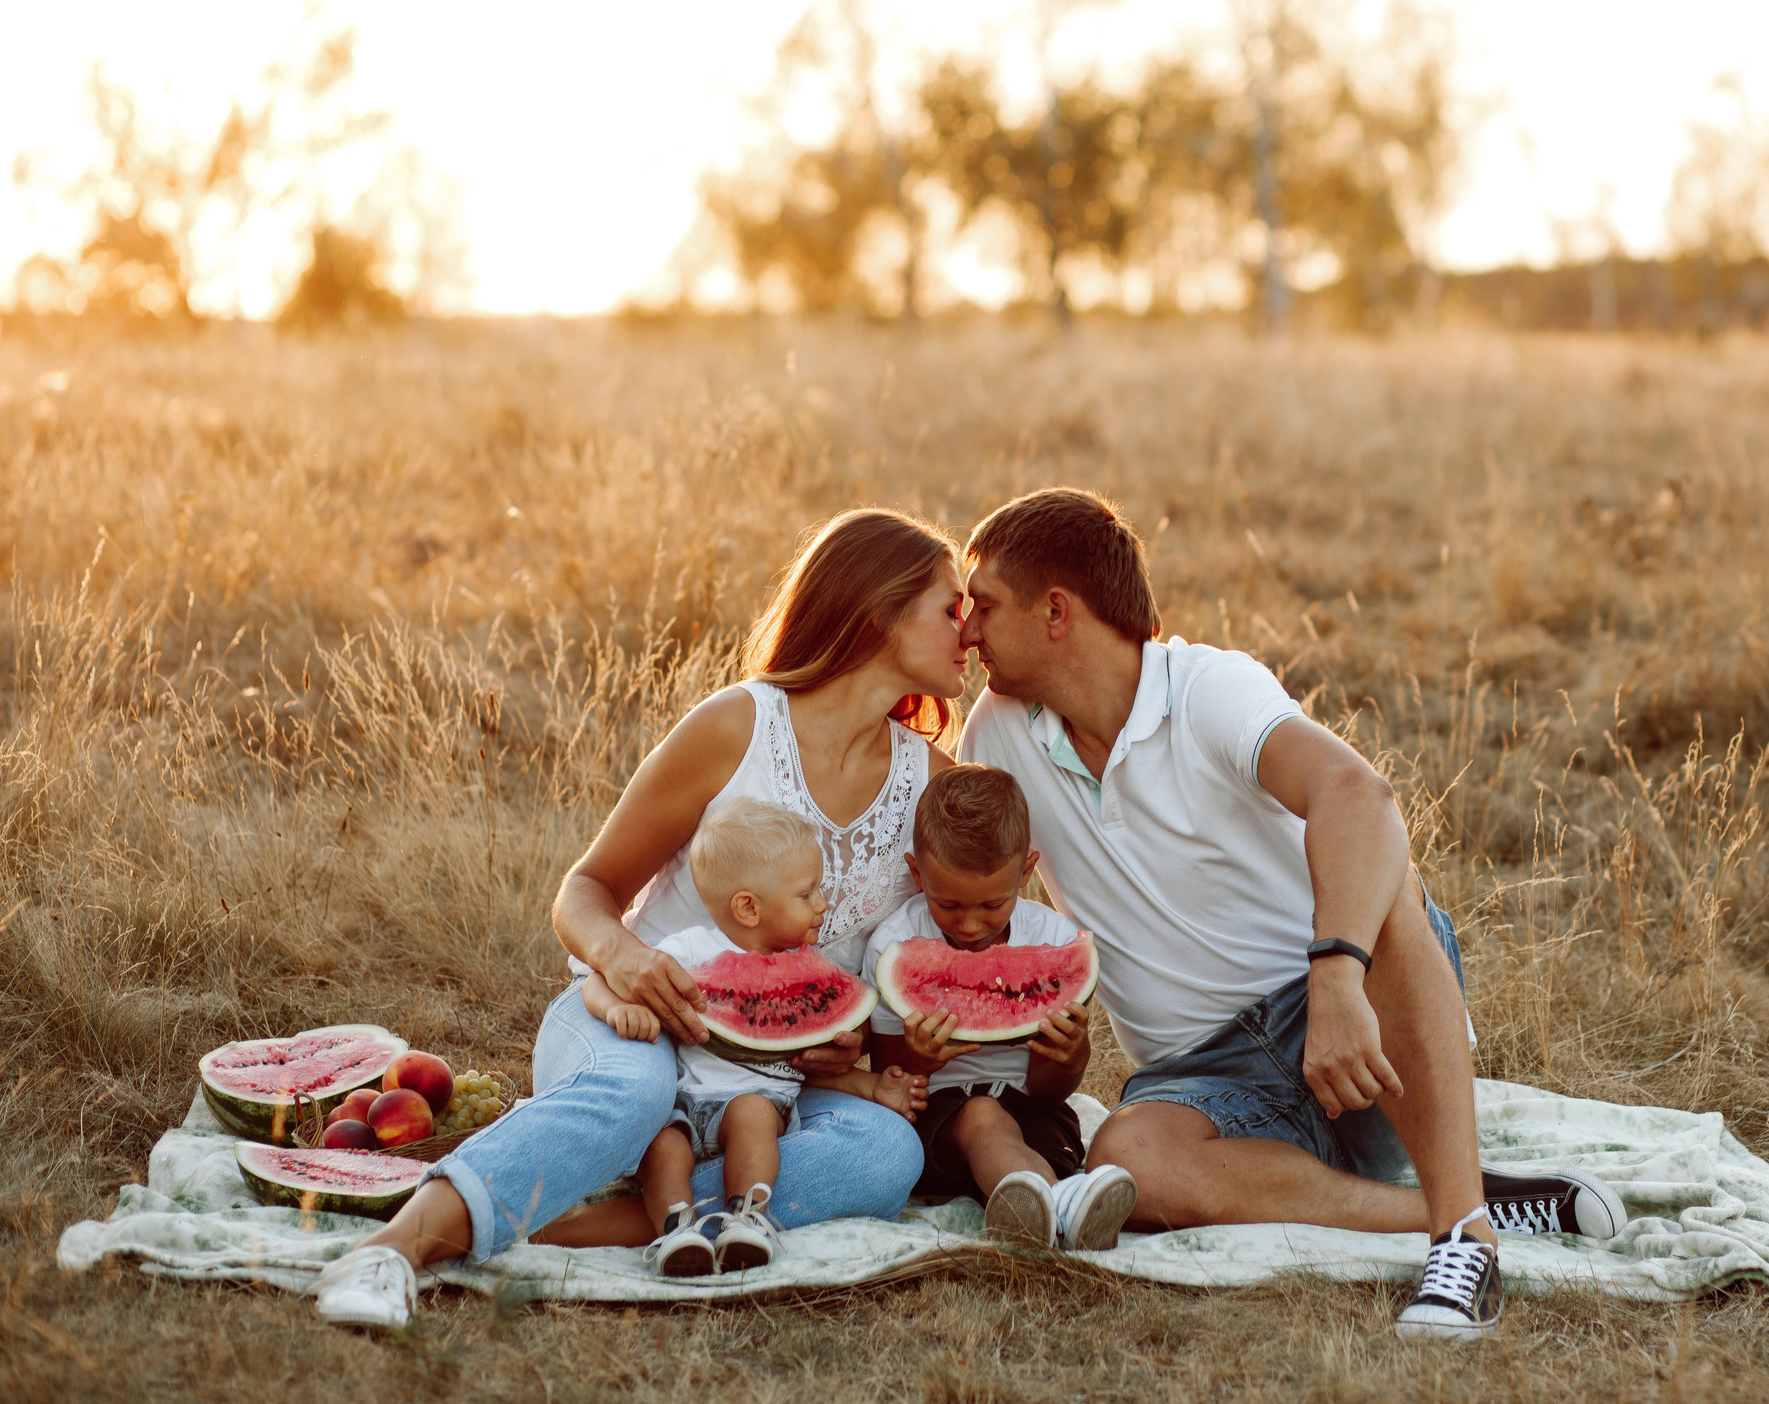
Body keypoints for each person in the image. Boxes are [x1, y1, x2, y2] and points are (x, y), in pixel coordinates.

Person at [955, 488, 1627, 1342]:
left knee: (1390, 888)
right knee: (1124, 1157)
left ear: (1056, 611)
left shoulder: (1206, 688)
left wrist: (1337, 973)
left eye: (983, 605)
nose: (968, 630)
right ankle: (1457, 1202)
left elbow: (1359, 793)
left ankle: (1465, 1246)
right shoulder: (999, 733)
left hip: (1354, 1039)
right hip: (1205, 1091)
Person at [311, 508, 966, 1330]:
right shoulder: (737, 727)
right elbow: (585, 888)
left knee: (886, 1154)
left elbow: (912, 961)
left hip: (780, 1080)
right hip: (634, 1019)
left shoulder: (932, 784)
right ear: (880, 611)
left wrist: (856, 1040)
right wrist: (619, 958)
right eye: (951, 606)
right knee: (634, 1093)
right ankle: (395, 1250)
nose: (968, 631)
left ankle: (572, 1214)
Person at [584, 795, 928, 1276]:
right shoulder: (690, 952)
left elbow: (798, 1071)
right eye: (807, 893)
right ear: (748, 907)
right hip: (679, 1111)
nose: (822, 904)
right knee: (662, 1147)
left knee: (752, 1113)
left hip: (756, 1112)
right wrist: (618, 1007)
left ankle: (747, 1217)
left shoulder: (812, 974)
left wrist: (872, 1087)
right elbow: (599, 979)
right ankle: (675, 1232)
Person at [862, 764, 1137, 1250]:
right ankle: (1061, 1205)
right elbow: (885, 1070)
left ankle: (1032, 1205)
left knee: (1004, 1116)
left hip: (1035, 1116)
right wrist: (920, 1060)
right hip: (931, 1123)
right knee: (981, 1115)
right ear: (916, 874)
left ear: (1026, 872)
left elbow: (1050, 1092)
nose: (969, 925)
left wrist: (1070, 1056)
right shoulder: (895, 944)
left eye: (993, 905)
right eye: (947, 905)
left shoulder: (1052, 942)